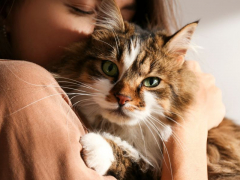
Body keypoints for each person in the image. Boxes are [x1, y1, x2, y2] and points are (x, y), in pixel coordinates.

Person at [0, 0, 225, 179]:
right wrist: (191, 130)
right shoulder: (20, 83)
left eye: (126, 12)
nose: (108, 29)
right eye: (84, 9)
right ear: (5, 10)